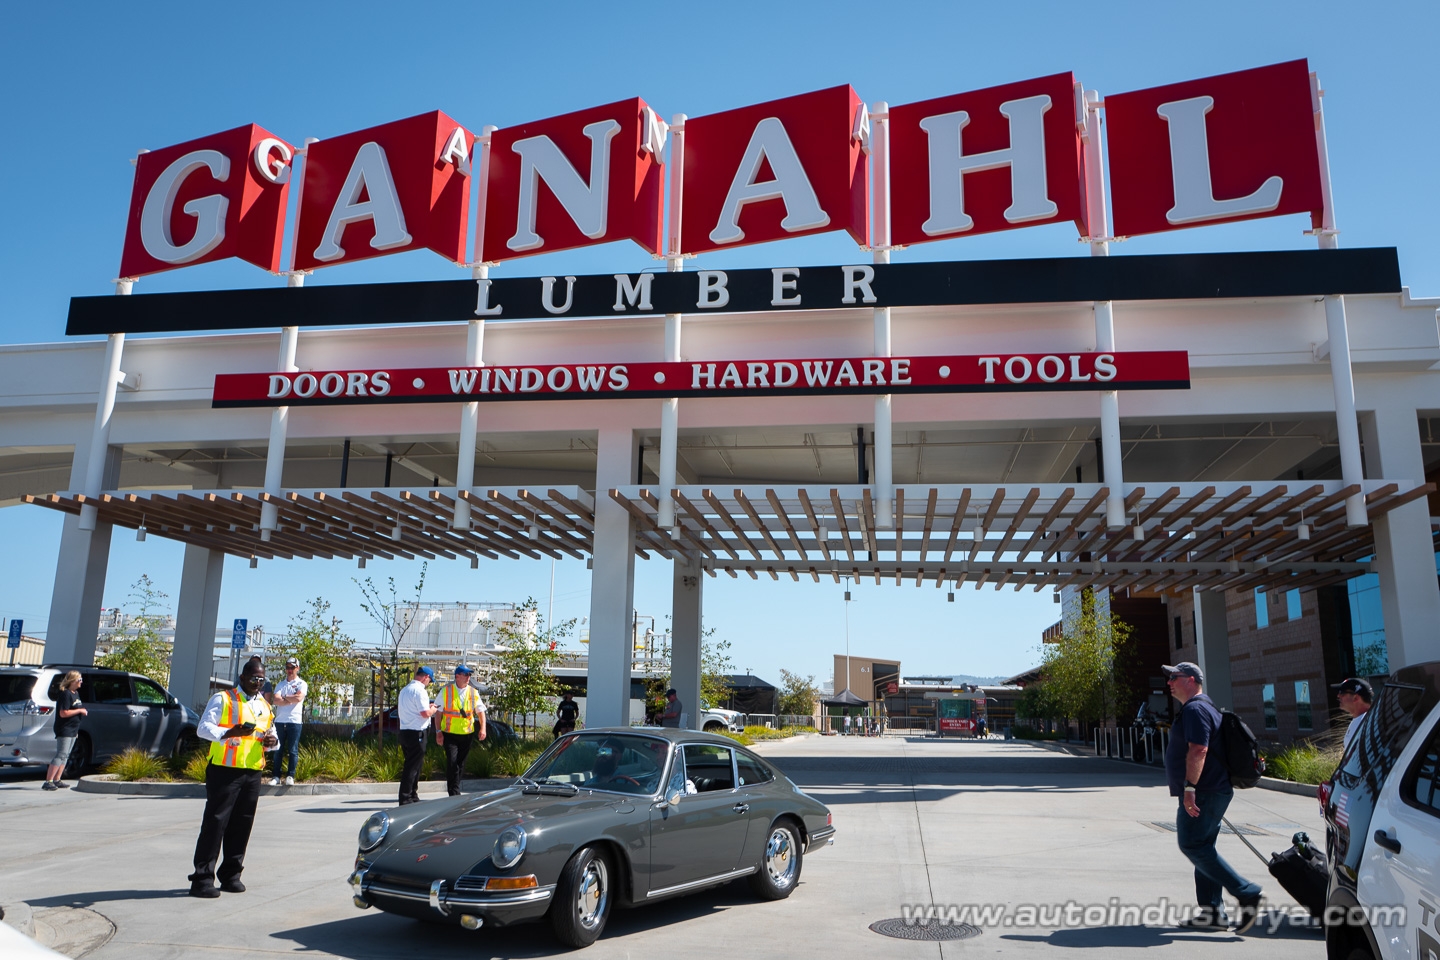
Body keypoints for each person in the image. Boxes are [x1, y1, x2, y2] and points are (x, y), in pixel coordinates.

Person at [1162, 661, 1263, 933]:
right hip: (1210, 790)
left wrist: (1190, 788)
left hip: (1204, 791)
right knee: (1203, 848)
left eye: (1175, 677)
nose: (1169, 683)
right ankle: (1212, 913)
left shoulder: (1195, 709)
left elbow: (1199, 750)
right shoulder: (1200, 707)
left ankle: (1247, 892)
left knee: (1193, 845)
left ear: (1192, 680)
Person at [189, 659, 277, 897]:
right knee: (216, 824)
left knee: (242, 825)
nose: (257, 683)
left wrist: (272, 743)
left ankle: (231, 875)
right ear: (242, 678)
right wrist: (230, 732)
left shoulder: (265, 706)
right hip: (225, 771)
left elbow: (271, 735)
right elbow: (203, 728)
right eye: (253, 678)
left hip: (252, 772)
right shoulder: (223, 699)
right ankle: (202, 879)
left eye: (261, 679)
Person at [434, 664, 485, 797]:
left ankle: (455, 788)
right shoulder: (446, 691)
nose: (468, 677)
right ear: (457, 676)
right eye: (466, 674)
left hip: (467, 734)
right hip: (449, 733)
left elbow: (481, 711)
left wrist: (483, 728)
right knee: (452, 762)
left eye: (469, 675)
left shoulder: (473, 692)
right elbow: (438, 713)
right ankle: (454, 792)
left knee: (460, 764)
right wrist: (438, 732)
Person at [397, 666, 439, 805]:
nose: (429, 683)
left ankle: (412, 794)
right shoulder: (420, 690)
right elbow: (425, 713)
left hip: (405, 730)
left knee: (414, 764)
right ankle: (406, 797)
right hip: (417, 732)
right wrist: (433, 709)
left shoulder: (405, 690)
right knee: (412, 766)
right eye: (429, 680)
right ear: (426, 677)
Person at [267, 657, 307, 786]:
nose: (289, 670)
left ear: (297, 668)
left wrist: (284, 698)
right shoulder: (281, 684)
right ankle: (276, 776)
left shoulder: (302, 683)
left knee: (293, 750)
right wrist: (289, 698)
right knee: (278, 749)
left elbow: (299, 698)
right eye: (287, 667)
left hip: (294, 721)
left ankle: (290, 775)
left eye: (292, 667)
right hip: (280, 721)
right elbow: (276, 700)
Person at [44, 671, 86, 790]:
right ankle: (48, 781)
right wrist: (80, 711)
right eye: (79, 680)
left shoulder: (75, 693)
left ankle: (57, 779)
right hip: (65, 729)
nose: (81, 682)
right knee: (61, 754)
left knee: (66, 755)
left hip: (73, 729)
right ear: (72, 681)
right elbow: (63, 713)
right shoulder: (65, 694)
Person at [1331, 677, 1373, 751]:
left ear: (1355, 698)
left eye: (1342, 693)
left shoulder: (1368, 722)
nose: (1338, 696)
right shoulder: (1359, 720)